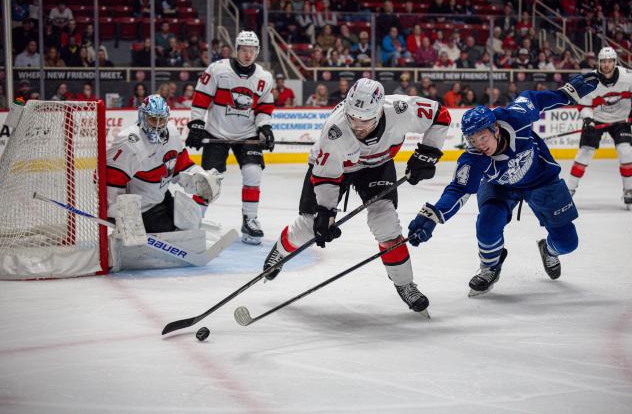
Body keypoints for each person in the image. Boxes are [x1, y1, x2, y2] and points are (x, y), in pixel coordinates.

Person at [262, 79, 451, 314]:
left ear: (380, 110)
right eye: (353, 118)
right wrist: (326, 213)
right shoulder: (335, 130)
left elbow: (440, 115)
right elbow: (326, 177)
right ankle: (280, 250)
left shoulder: (401, 110)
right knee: (310, 225)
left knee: (386, 223)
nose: (358, 125)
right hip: (335, 170)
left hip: (377, 165)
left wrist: (429, 152)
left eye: (365, 119)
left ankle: (405, 284)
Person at [407, 73, 599, 297]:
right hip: (500, 186)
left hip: (541, 179)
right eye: (472, 140)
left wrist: (566, 94)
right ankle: (490, 266)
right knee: (487, 222)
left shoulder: (515, 118)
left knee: (567, 242)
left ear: (495, 129)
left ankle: (548, 249)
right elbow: (458, 189)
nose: (479, 145)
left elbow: (533, 99)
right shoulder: (473, 158)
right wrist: (433, 215)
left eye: (482, 137)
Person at [186, 31, 275, 245]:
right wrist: (197, 124)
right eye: (244, 50)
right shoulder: (218, 70)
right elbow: (201, 98)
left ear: (257, 52)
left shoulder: (264, 78)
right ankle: (193, 220)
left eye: (252, 50)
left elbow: (264, 107)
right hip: (217, 132)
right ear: (236, 50)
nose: (247, 54)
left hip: (247, 134)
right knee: (210, 179)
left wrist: (264, 128)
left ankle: (250, 220)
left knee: (253, 173)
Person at [106, 95, 222, 233]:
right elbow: (111, 180)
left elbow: (181, 166)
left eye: (162, 119)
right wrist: (116, 214)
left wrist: (200, 176)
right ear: (142, 116)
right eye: (153, 119)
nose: (158, 125)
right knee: (170, 232)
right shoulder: (129, 142)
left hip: (160, 196)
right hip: (141, 207)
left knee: (189, 221)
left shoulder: (172, 133)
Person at [567, 47, 632, 207]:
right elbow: (584, 105)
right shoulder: (591, 80)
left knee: (625, 152)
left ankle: (629, 190)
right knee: (584, 153)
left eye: (610, 61)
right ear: (599, 63)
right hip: (597, 119)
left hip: (621, 120)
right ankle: (569, 190)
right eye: (603, 61)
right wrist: (588, 120)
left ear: (615, 62)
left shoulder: (628, 77)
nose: (606, 64)